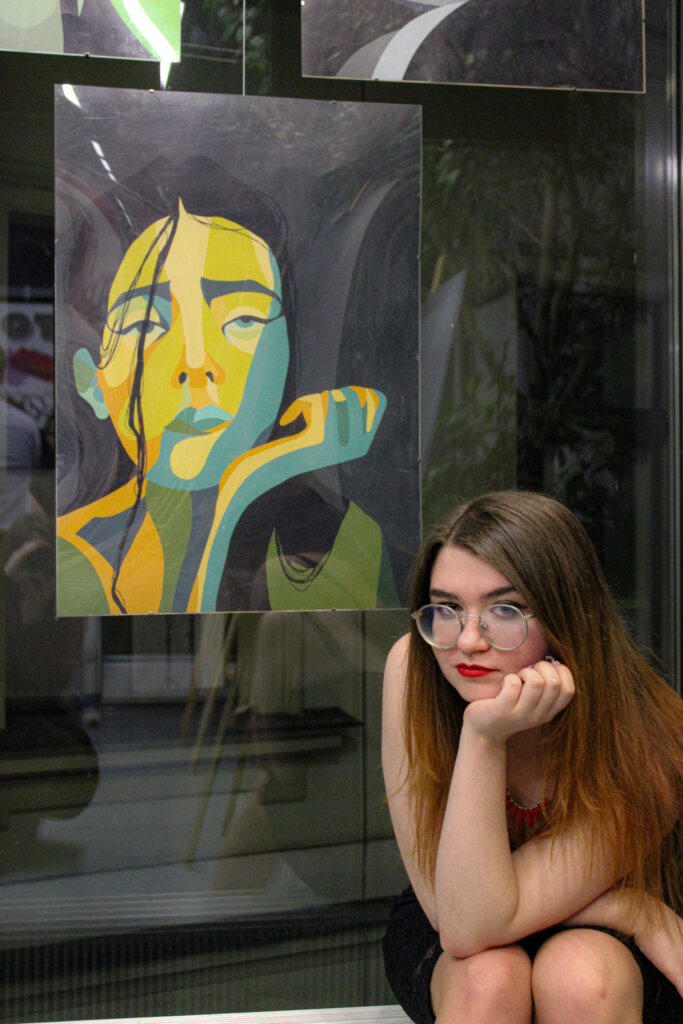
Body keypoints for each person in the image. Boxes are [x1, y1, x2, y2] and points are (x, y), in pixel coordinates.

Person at [382, 490, 683, 1024]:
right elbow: (460, 922)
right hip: (457, 911)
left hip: (614, 940)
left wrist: (630, 908)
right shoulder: (414, 667)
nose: (467, 641)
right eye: (447, 608)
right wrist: (484, 736)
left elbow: (479, 921)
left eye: (505, 610)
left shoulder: (650, 740)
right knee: (488, 978)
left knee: (577, 976)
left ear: (566, 617)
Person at [57, 157, 397, 614]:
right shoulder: (67, 559)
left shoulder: (343, 540)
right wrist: (245, 485)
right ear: (91, 380)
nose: (197, 364)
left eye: (243, 319)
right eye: (146, 325)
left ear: (287, 363)